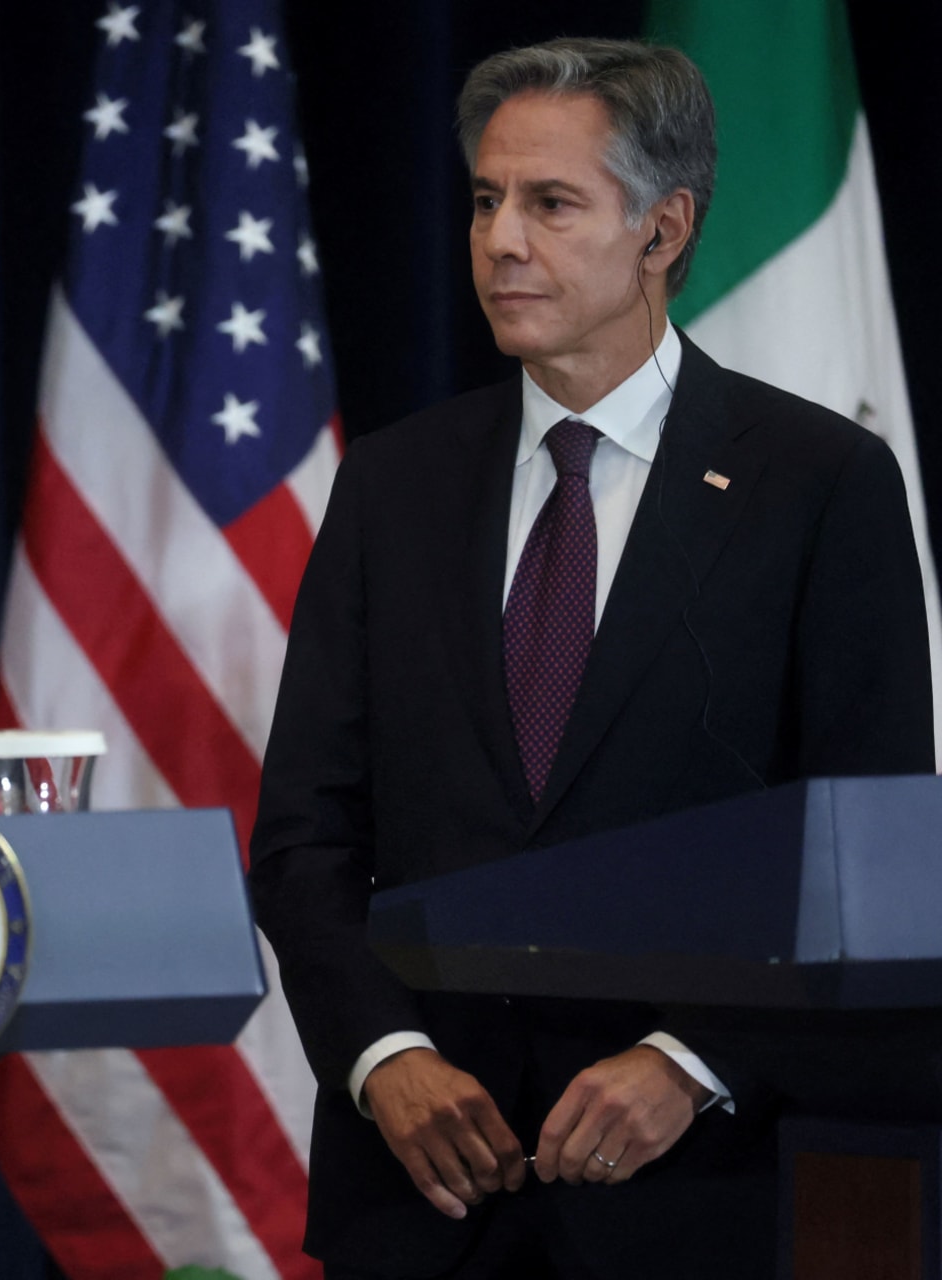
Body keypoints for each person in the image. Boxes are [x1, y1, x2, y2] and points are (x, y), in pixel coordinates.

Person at [249, 37, 933, 1280]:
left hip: (703, 1200)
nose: (501, 238)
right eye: (484, 199)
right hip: (426, 1199)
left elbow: (870, 853)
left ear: (663, 228)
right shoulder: (392, 485)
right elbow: (307, 828)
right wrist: (382, 1058)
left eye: (550, 203)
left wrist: (694, 1060)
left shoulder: (818, 484)